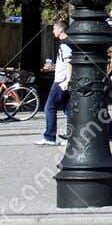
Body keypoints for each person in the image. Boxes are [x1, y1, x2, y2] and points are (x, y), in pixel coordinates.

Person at [37, 19, 72, 147]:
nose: (52, 31)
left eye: (54, 29)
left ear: (60, 30)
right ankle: (70, 137)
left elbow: (69, 63)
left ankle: (50, 136)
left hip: (61, 81)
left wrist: (67, 80)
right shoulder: (67, 43)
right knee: (68, 109)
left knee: (49, 107)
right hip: (64, 80)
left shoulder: (64, 45)